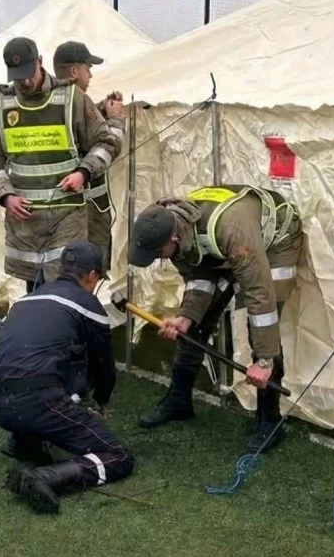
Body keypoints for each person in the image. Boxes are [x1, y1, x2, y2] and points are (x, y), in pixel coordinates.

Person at [128, 184, 303, 453]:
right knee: (195, 323)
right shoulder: (172, 227)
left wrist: (265, 360)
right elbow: (198, 278)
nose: (156, 260)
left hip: (276, 242)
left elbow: (260, 294)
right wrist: (186, 318)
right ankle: (179, 400)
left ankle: (269, 419)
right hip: (228, 246)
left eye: (157, 254)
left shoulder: (231, 229)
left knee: (260, 322)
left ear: (173, 238)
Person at [0, 241, 134, 514]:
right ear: (91, 275)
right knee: (118, 456)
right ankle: (47, 477)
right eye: (97, 278)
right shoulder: (86, 303)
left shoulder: (27, 299)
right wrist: (101, 401)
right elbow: (103, 366)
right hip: (35, 403)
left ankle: (22, 441)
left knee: (46, 365)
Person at [0, 37, 120, 293]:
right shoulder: (1, 106)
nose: (25, 82)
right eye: (18, 77)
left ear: (40, 63)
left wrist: (83, 173)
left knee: (66, 287)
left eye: (28, 74)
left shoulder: (72, 98)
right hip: (26, 224)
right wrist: (5, 195)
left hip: (67, 217)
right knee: (35, 290)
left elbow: (106, 143)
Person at [52, 41, 126, 272]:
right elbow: (107, 147)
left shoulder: (50, 103)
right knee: (86, 269)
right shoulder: (76, 101)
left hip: (59, 211)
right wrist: (114, 119)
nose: (91, 74)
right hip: (87, 211)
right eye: (87, 68)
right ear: (75, 71)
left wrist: (100, 110)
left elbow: (76, 128)